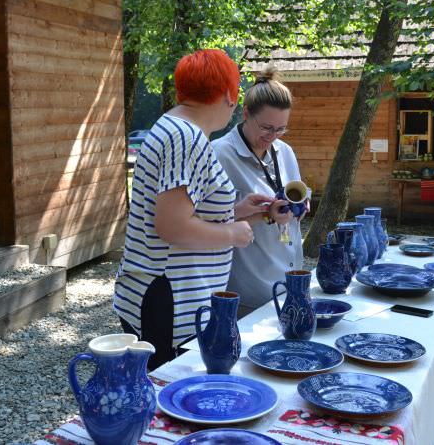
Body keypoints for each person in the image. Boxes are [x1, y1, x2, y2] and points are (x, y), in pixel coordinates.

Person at [113, 49, 272, 370]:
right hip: (167, 300)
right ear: (229, 95)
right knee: (166, 393)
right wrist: (232, 233)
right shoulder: (185, 139)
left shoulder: (172, 128)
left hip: (161, 294)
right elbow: (172, 226)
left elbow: (183, 210)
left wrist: (237, 210)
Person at [213, 67, 307, 317]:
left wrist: (298, 208)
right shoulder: (219, 154)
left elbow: (292, 197)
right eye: (267, 128)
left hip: (289, 280)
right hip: (247, 292)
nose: (272, 137)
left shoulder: (284, 151)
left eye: (281, 129)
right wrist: (265, 214)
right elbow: (205, 222)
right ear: (245, 114)